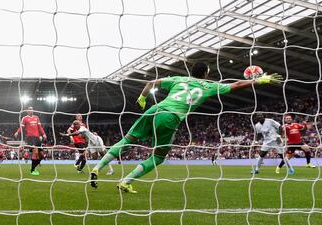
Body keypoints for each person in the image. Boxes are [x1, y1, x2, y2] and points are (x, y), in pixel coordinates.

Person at [90, 61, 282, 193]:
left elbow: (150, 82)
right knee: (158, 157)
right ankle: (125, 181)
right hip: (170, 117)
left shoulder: (179, 79)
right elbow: (237, 84)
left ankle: (97, 168)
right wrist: (258, 80)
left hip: (153, 110)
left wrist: (142, 98)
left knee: (127, 140)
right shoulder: (209, 85)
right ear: (206, 73)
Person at [14, 106, 47, 175]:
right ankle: (32, 171)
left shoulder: (36, 117)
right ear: (27, 111)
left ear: (33, 110)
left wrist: (44, 134)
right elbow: (21, 127)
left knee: (41, 155)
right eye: (29, 109)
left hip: (37, 138)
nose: (30, 110)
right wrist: (17, 132)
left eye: (31, 109)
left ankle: (33, 167)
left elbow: (40, 127)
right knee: (35, 152)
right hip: (30, 138)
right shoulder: (25, 118)